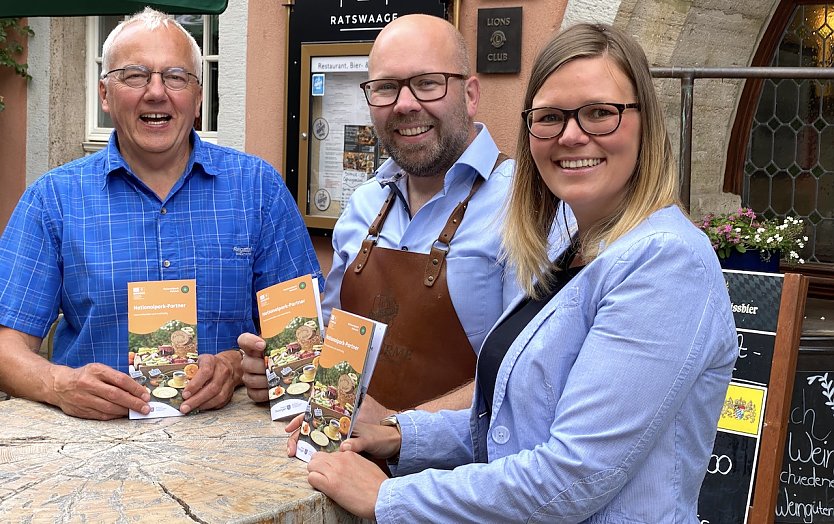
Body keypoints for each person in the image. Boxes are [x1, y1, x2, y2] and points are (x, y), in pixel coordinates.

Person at [288, 23, 738, 522]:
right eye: (549, 117)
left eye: (599, 113)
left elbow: (574, 475)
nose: (571, 135)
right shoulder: (571, 247)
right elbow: (514, 425)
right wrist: (401, 435)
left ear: (646, 122)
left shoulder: (664, 262)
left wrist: (389, 499)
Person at [0, 8, 321, 420]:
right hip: (89, 450)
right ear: (104, 94)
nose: (156, 92)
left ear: (199, 96)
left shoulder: (258, 189)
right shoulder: (53, 200)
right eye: (135, 75)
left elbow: (303, 331)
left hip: (231, 451)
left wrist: (235, 366)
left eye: (175, 77)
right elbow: (8, 346)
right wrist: (58, 384)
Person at [240, 14, 522, 421]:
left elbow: (524, 377)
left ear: (471, 94)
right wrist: (285, 370)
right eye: (386, 88)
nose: (405, 105)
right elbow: (334, 343)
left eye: (427, 82)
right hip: (344, 466)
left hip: (460, 479)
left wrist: (394, 430)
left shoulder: (523, 206)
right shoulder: (364, 203)